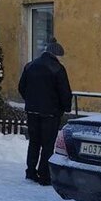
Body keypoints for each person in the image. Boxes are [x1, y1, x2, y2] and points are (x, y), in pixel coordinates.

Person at [18, 37, 72, 185]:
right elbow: (64, 92)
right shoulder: (57, 69)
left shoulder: (30, 66)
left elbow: (21, 87)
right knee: (48, 144)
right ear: (56, 55)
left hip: (32, 111)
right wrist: (65, 107)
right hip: (50, 113)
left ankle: (30, 171)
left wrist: (30, 101)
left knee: (34, 142)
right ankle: (44, 175)